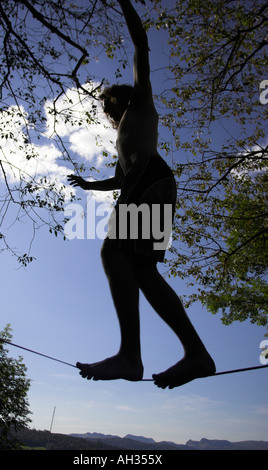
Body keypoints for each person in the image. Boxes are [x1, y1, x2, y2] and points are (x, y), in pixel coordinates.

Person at [67, 0, 215, 389]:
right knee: (141, 268)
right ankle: (195, 353)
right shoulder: (121, 138)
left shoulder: (141, 104)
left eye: (110, 106)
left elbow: (140, 46)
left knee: (113, 251)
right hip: (143, 183)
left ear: (120, 100)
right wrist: (88, 185)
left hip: (150, 180)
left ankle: (131, 355)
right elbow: (119, 180)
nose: (110, 114)